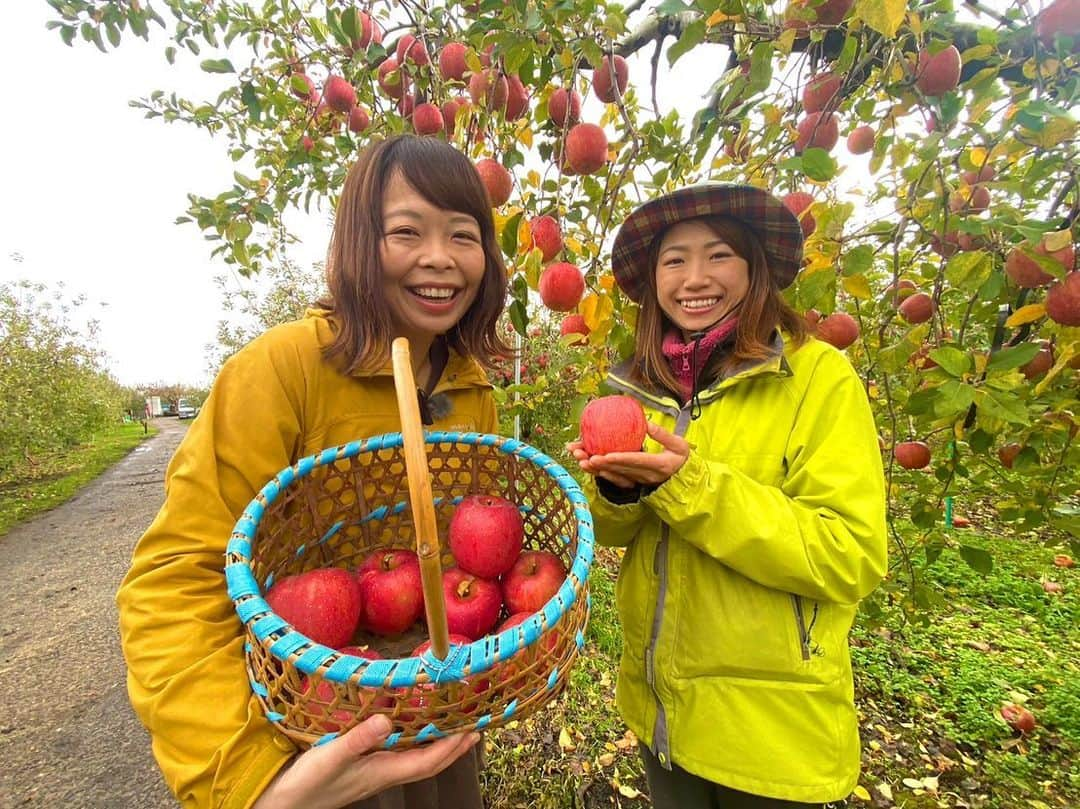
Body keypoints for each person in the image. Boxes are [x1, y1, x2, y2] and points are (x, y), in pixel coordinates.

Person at [117, 134, 513, 809]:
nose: (439, 258)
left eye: (463, 235)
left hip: (436, 719)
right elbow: (175, 583)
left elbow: (474, 563)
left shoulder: (472, 388)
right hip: (314, 744)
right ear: (361, 241)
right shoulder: (283, 370)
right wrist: (253, 779)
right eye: (406, 231)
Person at [569, 185, 887, 808]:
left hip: (771, 736)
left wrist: (688, 484)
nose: (694, 278)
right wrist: (615, 490)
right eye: (674, 260)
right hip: (662, 714)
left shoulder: (816, 378)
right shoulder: (640, 387)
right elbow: (614, 534)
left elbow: (849, 553)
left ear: (753, 268)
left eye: (717, 256)